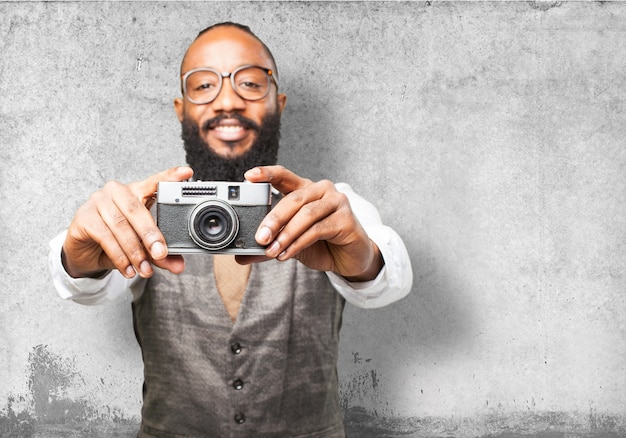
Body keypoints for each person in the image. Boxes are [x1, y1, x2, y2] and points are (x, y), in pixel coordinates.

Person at [48, 22, 412, 437]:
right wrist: (78, 257)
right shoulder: (143, 212)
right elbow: (86, 288)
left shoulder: (327, 209)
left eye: (252, 83)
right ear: (180, 107)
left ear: (279, 102)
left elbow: (391, 275)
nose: (227, 99)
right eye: (203, 86)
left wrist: (361, 258)